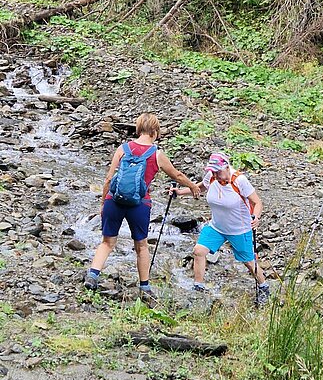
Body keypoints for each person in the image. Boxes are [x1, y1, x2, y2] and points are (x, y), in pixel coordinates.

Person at [84, 113, 200, 299]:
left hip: (114, 200)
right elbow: (177, 176)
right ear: (155, 131)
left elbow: (108, 179)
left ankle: (92, 275)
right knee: (141, 246)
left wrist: (103, 202)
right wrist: (193, 186)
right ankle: (145, 287)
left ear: (138, 129)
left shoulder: (123, 149)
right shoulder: (157, 154)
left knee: (107, 242)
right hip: (139, 204)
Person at [173, 152, 269, 305]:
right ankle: (198, 287)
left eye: (218, 171)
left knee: (249, 263)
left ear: (226, 167)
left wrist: (256, 217)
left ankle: (264, 287)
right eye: (213, 171)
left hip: (239, 229)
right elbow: (200, 188)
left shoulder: (239, 181)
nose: (216, 174)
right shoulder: (211, 176)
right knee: (199, 251)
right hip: (216, 227)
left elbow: (257, 203)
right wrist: (180, 192)